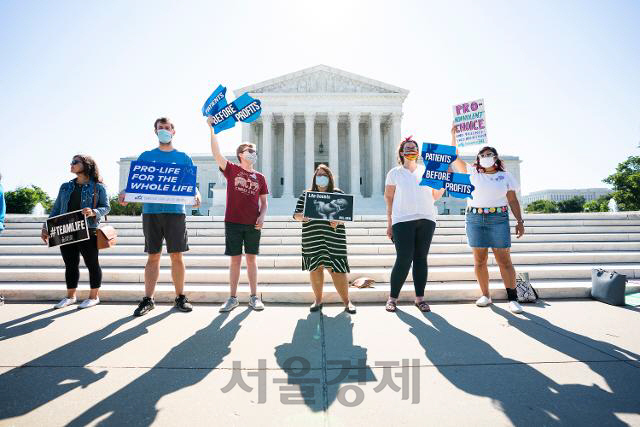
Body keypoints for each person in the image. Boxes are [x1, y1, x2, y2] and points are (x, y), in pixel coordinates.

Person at [119, 117, 201, 317]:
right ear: (155, 132)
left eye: (167, 127)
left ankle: (181, 296)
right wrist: (125, 193)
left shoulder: (183, 158)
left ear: (173, 131)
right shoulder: (146, 156)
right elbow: (137, 182)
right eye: (160, 128)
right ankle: (148, 299)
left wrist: (197, 194)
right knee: (153, 256)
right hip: (151, 212)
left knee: (177, 256)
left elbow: (190, 184)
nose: (163, 130)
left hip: (175, 213)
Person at [449, 125, 525, 313]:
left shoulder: (505, 176)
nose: (485, 157)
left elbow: (512, 200)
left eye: (489, 154)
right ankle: (485, 295)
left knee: (504, 259)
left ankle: (512, 297)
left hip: (498, 217)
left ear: (495, 157)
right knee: (479, 260)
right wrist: (453, 136)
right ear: (478, 159)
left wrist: (520, 221)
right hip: (475, 218)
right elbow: (453, 156)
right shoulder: (471, 172)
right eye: (482, 155)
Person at [207, 117, 268, 312]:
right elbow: (216, 154)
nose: (253, 154)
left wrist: (262, 216)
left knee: (251, 259)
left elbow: (264, 203)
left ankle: (253, 297)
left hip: (253, 223)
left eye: (254, 151)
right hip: (233, 221)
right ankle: (232, 298)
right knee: (235, 260)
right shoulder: (232, 170)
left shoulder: (260, 177)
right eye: (250, 151)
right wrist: (212, 130)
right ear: (240, 154)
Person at [384, 136, 445, 312]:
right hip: (402, 220)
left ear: (418, 152)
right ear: (401, 152)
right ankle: (392, 298)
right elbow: (389, 199)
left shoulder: (427, 171)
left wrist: (442, 183)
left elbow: (434, 196)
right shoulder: (394, 173)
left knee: (421, 259)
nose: (411, 150)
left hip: (426, 218)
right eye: (408, 148)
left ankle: (420, 299)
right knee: (403, 259)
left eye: (414, 148)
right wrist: (389, 223)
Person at [41, 155, 110, 309]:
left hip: (88, 229)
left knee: (92, 263)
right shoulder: (65, 186)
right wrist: (46, 226)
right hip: (65, 228)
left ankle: (94, 297)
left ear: (86, 165)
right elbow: (56, 208)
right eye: (71, 162)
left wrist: (93, 211)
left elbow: (106, 207)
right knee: (70, 264)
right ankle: (70, 296)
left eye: (75, 162)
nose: (71, 164)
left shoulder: (98, 187)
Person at [293, 164, 356, 313]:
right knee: (315, 268)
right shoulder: (306, 194)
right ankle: (318, 300)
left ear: (330, 178)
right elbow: (296, 214)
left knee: (337, 270)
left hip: (334, 237)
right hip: (312, 236)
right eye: (319, 175)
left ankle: (347, 302)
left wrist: (339, 221)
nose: (322, 177)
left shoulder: (337, 193)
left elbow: (345, 216)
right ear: (315, 178)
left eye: (325, 175)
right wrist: (302, 217)